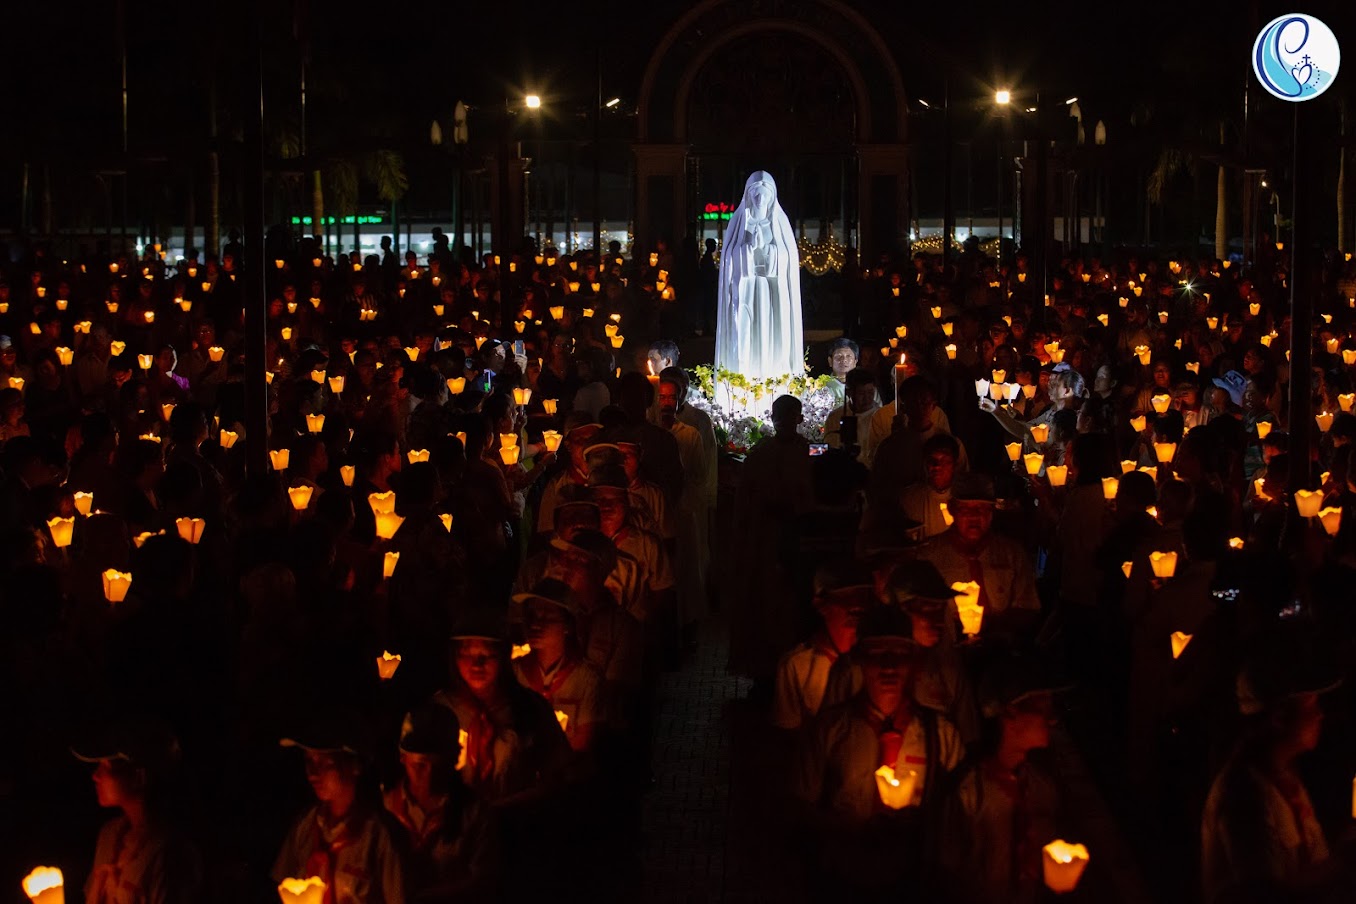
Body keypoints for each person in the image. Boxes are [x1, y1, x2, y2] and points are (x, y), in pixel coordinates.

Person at [793, 605, 964, 895]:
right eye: (876, 654)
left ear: (914, 660)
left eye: (898, 654)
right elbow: (799, 806)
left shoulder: (941, 735)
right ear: (859, 659)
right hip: (844, 881)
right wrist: (847, 829)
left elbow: (961, 817)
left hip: (914, 883)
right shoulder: (830, 730)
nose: (888, 666)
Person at [1200, 634, 1348, 903]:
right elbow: (1265, 892)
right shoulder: (1244, 795)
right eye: (1311, 705)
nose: (1320, 714)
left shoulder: (1284, 779)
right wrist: (1344, 862)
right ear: (1279, 718)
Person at [939, 657, 1068, 904]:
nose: (1053, 720)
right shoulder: (968, 793)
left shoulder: (1042, 787)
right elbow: (946, 872)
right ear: (1009, 712)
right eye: (1043, 709)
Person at [273, 716, 406, 904]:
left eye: (326, 763)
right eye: (309, 761)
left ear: (354, 766)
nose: (312, 773)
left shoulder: (382, 836)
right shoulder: (305, 826)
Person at [74, 715, 202, 904]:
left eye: (105, 766)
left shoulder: (169, 853)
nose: (95, 776)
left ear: (139, 777)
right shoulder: (109, 836)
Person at [383, 705, 498, 901]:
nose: (428, 776)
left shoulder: (474, 814)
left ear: (454, 759)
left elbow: (483, 881)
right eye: (420, 765)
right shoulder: (385, 808)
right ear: (403, 758)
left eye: (438, 766)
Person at [715, 171, 804, 382]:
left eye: (765, 194)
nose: (760, 199)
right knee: (744, 333)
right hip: (745, 289)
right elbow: (728, 256)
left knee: (771, 335)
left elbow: (788, 257)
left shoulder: (779, 224)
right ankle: (743, 379)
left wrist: (767, 252)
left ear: (772, 197)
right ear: (748, 195)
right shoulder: (739, 224)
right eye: (755, 193)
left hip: (770, 290)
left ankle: (774, 380)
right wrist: (746, 251)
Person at [771, 564, 871, 731]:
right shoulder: (798, 666)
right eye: (847, 597)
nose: (858, 600)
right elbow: (787, 735)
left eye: (863, 596)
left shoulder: (874, 657)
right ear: (822, 605)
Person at [511, 578, 607, 752]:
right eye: (531, 616)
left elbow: (584, 744)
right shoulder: (513, 672)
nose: (535, 624)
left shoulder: (587, 679)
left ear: (568, 624)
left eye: (546, 616)